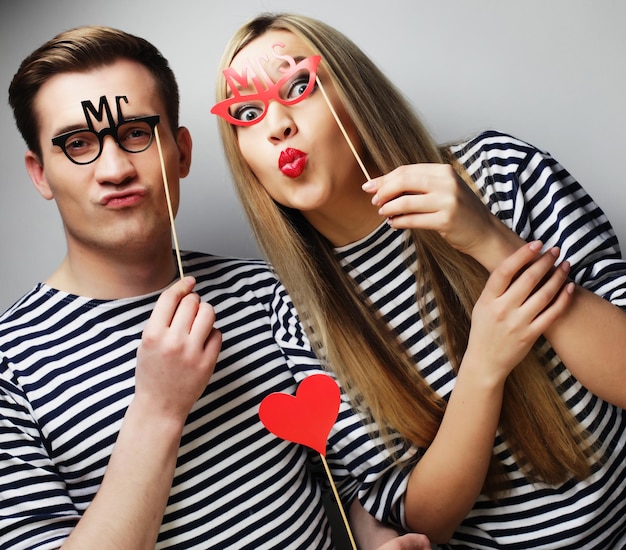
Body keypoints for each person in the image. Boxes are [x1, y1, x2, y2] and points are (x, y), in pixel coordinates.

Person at [0, 25, 437, 550]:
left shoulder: (269, 294)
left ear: (182, 152)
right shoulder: (10, 367)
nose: (115, 169)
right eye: (78, 144)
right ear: (41, 174)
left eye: (137, 134)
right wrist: (158, 411)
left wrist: (376, 538)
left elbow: (348, 476)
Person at [211, 12, 626, 549]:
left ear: (355, 90)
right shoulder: (295, 325)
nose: (278, 125)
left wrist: (488, 239)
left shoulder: (502, 174)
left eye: (298, 86)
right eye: (247, 112)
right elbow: (424, 522)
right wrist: (483, 368)